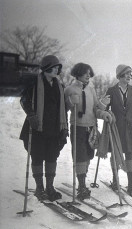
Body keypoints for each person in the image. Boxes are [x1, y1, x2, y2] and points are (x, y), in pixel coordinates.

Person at [19, 55, 68, 201]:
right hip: (37, 128)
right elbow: (24, 100)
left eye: (58, 67)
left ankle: (50, 187)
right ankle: (39, 188)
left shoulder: (60, 86)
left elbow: (63, 108)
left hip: (54, 128)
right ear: (46, 67)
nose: (57, 70)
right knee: (38, 156)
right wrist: (31, 115)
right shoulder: (34, 83)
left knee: (52, 156)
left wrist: (64, 128)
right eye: (54, 67)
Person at [64, 63, 112, 200]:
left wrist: (103, 111)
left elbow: (96, 109)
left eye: (89, 73)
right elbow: (63, 109)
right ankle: (82, 186)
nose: (88, 75)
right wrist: (69, 102)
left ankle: (82, 182)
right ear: (78, 73)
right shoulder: (69, 89)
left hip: (91, 128)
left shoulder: (91, 89)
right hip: (77, 127)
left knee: (89, 155)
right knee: (80, 156)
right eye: (85, 73)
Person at [101, 64, 132, 197]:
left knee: (130, 154)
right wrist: (104, 105)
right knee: (115, 153)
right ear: (119, 75)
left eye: (130, 73)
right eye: (126, 73)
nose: (129, 76)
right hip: (116, 127)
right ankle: (115, 181)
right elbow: (103, 108)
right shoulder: (111, 90)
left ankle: (131, 185)